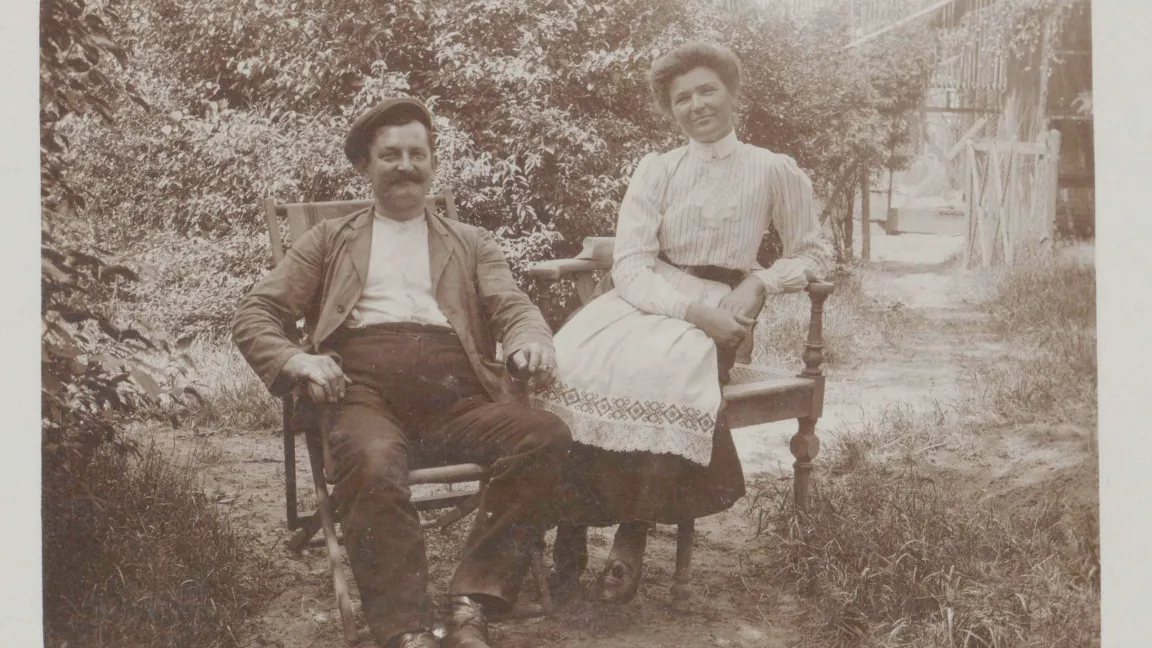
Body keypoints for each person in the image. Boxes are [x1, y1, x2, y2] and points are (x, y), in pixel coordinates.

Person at [233, 97, 572, 648]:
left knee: (545, 436)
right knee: (371, 460)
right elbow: (255, 312)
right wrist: (297, 359)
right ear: (364, 165)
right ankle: (408, 627)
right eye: (390, 155)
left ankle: (474, 598)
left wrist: (530, 339)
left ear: (433, 162)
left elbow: (512, 305)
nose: (406, 166)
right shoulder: (329, 239)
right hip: (361, 395)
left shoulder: (471, 242)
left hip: (457, 401)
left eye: (418, 153)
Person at [528, 42, 831, 604]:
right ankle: (570, 531)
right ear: (671, 110)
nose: (697, 105)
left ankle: (632, 532)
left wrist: (760, 282)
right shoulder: (658, 169)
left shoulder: (773, 169)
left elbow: (813, 252)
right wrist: (690, 310)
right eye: (682, 98)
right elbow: (631, 265)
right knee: (568, 363)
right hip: (649, 297)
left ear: (734, 94)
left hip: (722, 304)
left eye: (707, 90)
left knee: (659, 369)